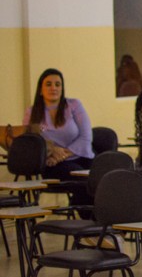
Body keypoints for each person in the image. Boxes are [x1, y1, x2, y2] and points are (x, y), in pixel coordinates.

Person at [23, 68, 94, 205]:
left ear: (62, 88)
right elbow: (32, 141)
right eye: (48, 84)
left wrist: (61, 155)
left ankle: (101, 215)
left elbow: (86, 136)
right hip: (51, 164)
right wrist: (52, 151)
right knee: (82, 181)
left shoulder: (74, 105)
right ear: (40, 90)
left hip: (80, 156)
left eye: (57, 84)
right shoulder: (32, 112)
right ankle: (88, 214)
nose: (53, 88)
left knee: (100, 177)